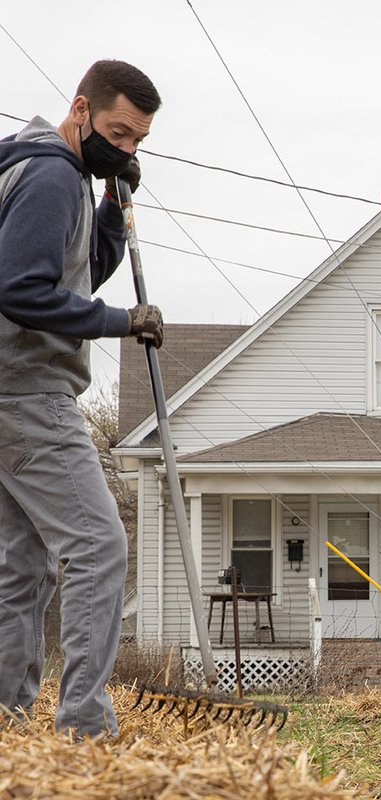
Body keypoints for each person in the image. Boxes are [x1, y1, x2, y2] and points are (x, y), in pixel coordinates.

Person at [0, 60, 164, 738]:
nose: (123, 149)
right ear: (80, 110)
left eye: (136, 143)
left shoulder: (36, 170)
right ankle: (85, 729)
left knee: (23, 562)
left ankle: (6, 721)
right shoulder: (49, 175)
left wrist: (113, 209)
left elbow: (79, 272)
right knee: (98, 547)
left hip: (7, 388)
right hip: (27, 389)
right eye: (117, 133)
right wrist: (122, 323)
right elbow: (20, 290)